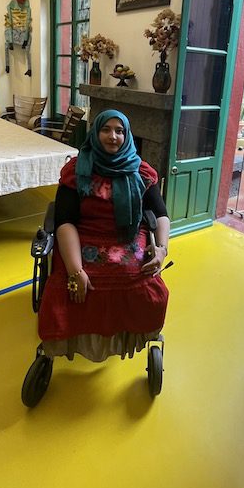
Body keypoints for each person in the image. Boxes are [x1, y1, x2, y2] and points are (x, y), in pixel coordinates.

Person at [37, 109, 170, 362]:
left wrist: (162, 249)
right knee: (73, 280)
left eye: (120, 131)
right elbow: (65, 222)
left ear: (127, 135)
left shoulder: (140, 172)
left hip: (128, 237)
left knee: (137, 277)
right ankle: (71, 339)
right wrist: (76, 270)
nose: (113, 136)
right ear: (95, 133)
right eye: (106, 129)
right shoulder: (77, 170)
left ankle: (129, 335)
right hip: (83, 236)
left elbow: (161, 214)